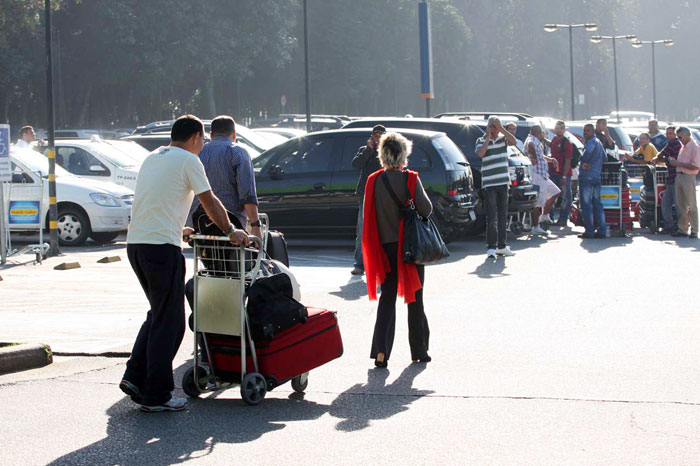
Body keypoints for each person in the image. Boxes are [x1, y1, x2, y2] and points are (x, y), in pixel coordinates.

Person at [120, 115, 249, 413]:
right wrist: (232, 231)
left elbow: (155, 201)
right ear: (194, 137)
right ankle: (157, 395)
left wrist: (180, 230)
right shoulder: (189, 161)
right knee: (171, 322)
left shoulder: (153, 158)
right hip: (161, 249)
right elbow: (210, 201)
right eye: (202, 139)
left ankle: (135, 377)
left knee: (158, 314)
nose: (203, 145)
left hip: (137, 244)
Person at [362, 132, 432, 368]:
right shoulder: (410, 179)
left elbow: (368, 216)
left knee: (387, 297)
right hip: (410, 247)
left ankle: (381, 352)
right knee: (415, 297)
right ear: (403, 154)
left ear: (382, 155)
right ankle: (419, 350)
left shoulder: (373, 180)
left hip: (384, 246)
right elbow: (426, 209)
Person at [186, 115, 261, 240]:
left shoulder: (196, 153)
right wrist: (255, 226)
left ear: (211, 135)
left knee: (206, 258)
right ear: (234, 135)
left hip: (198, 228)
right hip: (232, 226)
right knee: (235, 259)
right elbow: (247, 194)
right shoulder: (238, 152)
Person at [475, 116, 518, 258]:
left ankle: (502, 246)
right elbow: (480, 153)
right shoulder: (481, 140)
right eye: (491, 126)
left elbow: (514, 142)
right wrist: (488, 137)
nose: (493, 129)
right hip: (489, 184)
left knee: (502, 215)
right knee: (492, 216)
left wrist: (502, 129)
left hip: (503, 182)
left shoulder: (503, 138)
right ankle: (491, 247)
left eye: (495, 126)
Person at [350, 124, 385, 275]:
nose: (377, 138)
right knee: (362, 230)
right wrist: (369, 149)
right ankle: (360, 263)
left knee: (382, 231)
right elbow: (356, 164)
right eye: (375, 135)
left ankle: (380, 263)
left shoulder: (387, 151)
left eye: (380, 136)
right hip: (365, 194)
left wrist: (381, 149)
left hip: (383, 195)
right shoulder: (364, 151)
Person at [524, 125, 560, 235]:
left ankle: (544, 216)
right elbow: (530, 146)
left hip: (543, 174)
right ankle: (535, 226)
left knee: (555, 191)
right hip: (537, 174)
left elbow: (541, 156)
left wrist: (550, 159)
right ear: (538, 133)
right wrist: (533, 156)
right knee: (538, 202)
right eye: (542, 133)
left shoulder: (536, 141)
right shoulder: (531, 140)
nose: (542, 135)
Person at [669, 126, 700, 238]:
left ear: (687, 135)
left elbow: (695, 166)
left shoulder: (694, 147)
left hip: (688, 177)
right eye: (678, 137)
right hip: (679, 176)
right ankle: (683, 229)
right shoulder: (683, 147)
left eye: (681, 137)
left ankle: (694, 230)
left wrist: (678, 164)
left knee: (691, 204)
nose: (679, 139)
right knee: (681, 205)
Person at [651, 126, 682, 234]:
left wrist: (656, 159)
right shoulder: (671, 144)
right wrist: (660, 158)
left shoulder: (675, 143)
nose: (668, 135)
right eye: (667, 133)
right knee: (665, 203)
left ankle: (681, 227)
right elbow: (664, 157)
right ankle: (669, 226)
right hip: (670, 178)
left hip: (676, 178)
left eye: (670, 133)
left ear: (675, 135)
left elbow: (661, 155)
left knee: (679, 205)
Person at [579, 124, 607, 239]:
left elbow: (588, 152)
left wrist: (584, 160)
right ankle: (602, 230)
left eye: (588, 130)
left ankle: (589, 231)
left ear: (593, 131)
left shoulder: (591, 142)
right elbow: (605, 158)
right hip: (597, 176)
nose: (585, 132)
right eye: (584, 130)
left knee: (586, 205)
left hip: (587, 177)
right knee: (597, 204)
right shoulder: (599, 142)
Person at [549, 121, 573, 226]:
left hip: (564, 174)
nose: (558, 130)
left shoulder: (567, 143)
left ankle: (563, 219)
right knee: (550, 195)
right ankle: (549, 217)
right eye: (557, 128)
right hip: (553, 173)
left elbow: (568, 160)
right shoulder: (554, 140)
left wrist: (564, 176)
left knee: (566, 196)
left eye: (561, 128)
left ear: (564, 130)